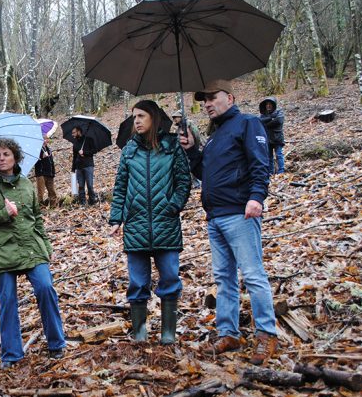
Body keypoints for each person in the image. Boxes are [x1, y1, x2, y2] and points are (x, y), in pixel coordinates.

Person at [179, 79, 278, 365]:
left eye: (212, 98)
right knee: (224, 278)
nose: (207, 104)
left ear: (230, 98)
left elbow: (261, 163)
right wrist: (191, 150)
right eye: (204, 100)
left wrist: (257, 197)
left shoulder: (248, 124)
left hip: (240, 212)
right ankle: (228, 332)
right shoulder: (214, 136)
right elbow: (204, 172)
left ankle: (266, 335)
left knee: (253, 274)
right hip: (215, 216)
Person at [0, 138, 66, 368]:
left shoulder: (26, 184)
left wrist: (46, 246)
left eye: (6, 154)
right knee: (8, 302)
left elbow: (37, 218)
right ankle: (12, 354)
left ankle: (56, 343)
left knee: (45, 288)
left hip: (31, 247)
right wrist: (3, 213)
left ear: (15, 157)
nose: (1, 159)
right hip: (3, 251)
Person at [109, 100, 191, 344]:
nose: (136, 121)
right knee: (137, 282)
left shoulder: (171, 146)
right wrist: (116, 217)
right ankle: (140, 332)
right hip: (136, 225)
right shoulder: (129, 150)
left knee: (169, 278)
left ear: (154, 118)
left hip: (166, 224)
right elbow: (120, 187)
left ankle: (168, 333)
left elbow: (183, 181)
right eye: (134, 117)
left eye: (141, 116)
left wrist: (173, 205)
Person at [259, 97, 285, 174]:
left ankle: (281, 172)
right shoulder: (263, 114)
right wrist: (271, 118)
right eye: (267, 104)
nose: (268, 106)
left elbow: (279, 121)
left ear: (273, 105)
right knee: (269, 157)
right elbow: (260, 122)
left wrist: (266, 123)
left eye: (270, 104)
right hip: (267, 138)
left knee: (279, 155)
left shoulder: (279, 112)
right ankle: (271, 172)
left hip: (277, 138)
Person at [71, 126, 96, 205]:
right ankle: (82, 202)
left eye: (74, 132)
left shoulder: (89, 140)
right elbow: (74, 157)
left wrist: (84, 152)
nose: (73, 134)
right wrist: (73, 169)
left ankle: (92, 201)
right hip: (79, 167)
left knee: (89, 185)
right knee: (81, 186)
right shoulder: (75, 144)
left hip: (88, 165)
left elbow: (94, 150)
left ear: (79, 131)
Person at [34, 131, 58, 207]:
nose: (45, 140)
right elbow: (35, 161)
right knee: (41, 192)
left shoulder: (48, 149)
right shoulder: (37, 150)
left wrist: (53, 172)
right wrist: (41, 156)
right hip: (41, 173)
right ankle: (41, 208)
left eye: (46, 139)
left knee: (52, 191)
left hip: (49, 173)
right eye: (43, 139)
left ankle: (53, 206)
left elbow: (51, 162)